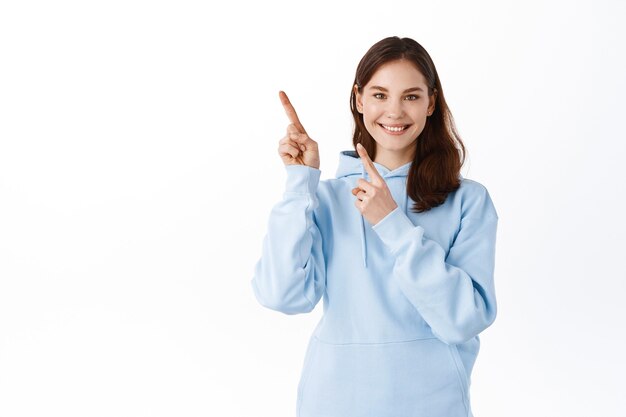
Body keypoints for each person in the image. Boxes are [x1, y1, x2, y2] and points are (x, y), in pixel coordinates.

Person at [251, 36, 499, 417]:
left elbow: (463, 320)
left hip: (433, 405)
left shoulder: (468, 200)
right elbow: (281, 295)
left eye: (411, 96)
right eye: (380, 95)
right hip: (333, 403)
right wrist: (301, 181)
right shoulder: (327, 197)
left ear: (431, 102)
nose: (395, 112)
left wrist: (392, 223)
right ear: (359, 99)